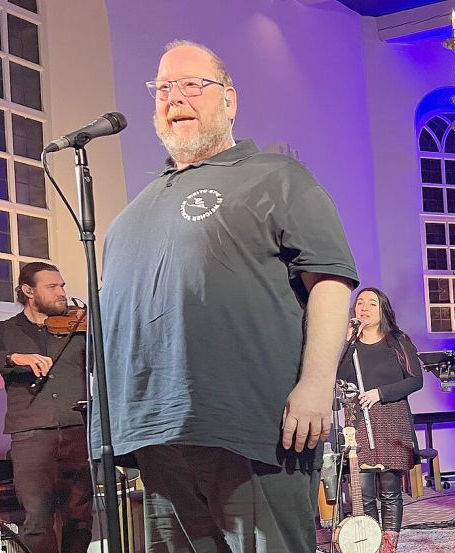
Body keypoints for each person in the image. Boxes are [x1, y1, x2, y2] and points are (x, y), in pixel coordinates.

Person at [96, 40, 358, 553]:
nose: (176, 98)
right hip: (156, 433)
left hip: (253, 427)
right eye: (164, 88)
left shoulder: (278, 177)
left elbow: (329, 279)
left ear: (230, 101)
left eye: (193, 85)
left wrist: (316, 384)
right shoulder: (131, 213)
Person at [0, 262, 92, 553]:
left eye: (63, 286)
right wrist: (13, 358)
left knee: (79, 517)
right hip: (30, 436)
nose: (62, 293)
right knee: (38, 519)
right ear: (29, 291)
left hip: (77, 429)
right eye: (53, 287)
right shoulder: (4, 331)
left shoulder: (79, 327)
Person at [337, 288, 423, 553]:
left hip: (391, 419)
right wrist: (347, 341)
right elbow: (338, 376)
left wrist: (380, 393)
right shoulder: (350, 346)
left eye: (371, 304)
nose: (363, 308)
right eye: (360, 303)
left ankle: (388, 546)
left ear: (383, 310)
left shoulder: (397, 341)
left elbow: (415, 380)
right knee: (362, 493)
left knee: (389, 490)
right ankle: (370, 543)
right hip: (359, 421)